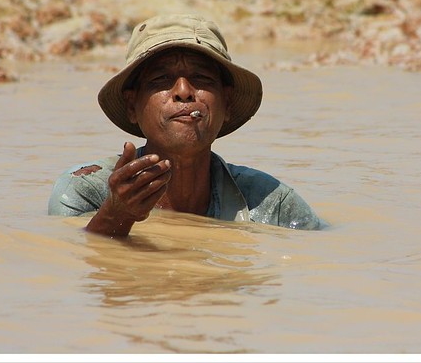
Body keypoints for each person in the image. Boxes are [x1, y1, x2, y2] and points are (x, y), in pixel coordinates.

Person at [48, 14, 328, 236]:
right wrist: (116, 216)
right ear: (132, 105)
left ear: (227, 103)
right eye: (160, 80)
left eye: (202, 78)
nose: (183, 91)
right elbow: (75, 262)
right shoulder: (86, 190)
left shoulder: (270, 202)